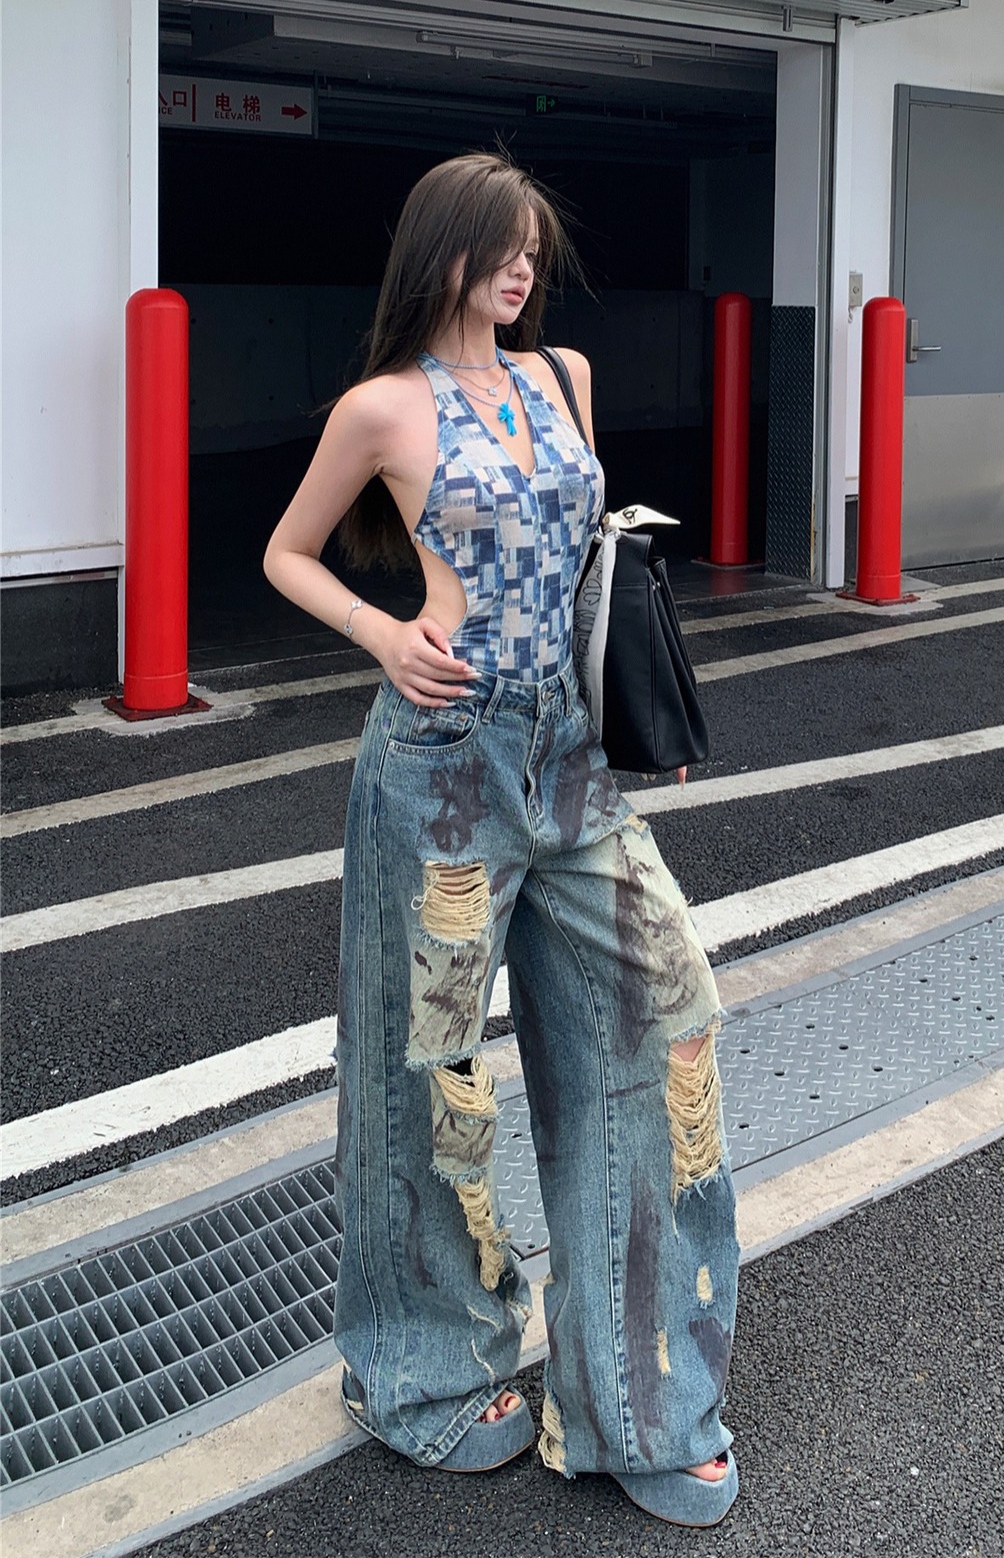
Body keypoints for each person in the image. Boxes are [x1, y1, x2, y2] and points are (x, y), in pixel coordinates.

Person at [264, 152, 739, 1527]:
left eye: (534, 247)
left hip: (572, 759)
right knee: (425, 1076)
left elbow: (590, 561)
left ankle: (640, 1401)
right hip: (441, 767)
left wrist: (635, 696)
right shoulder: (381, 407)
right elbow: (288, 551)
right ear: (445, 252)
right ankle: (416, 1373)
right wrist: (381, 632)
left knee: (659, 1023)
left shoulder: (564, 378)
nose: (523, 267)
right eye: (499, 245)